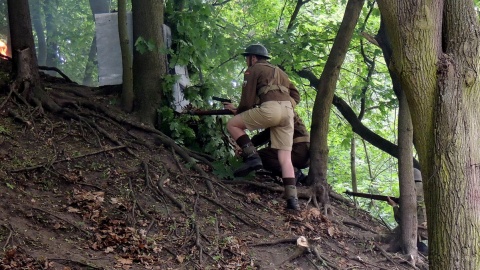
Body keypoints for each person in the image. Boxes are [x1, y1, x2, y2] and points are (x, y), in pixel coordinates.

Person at [223, 44, 301, 211]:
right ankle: (293, 203)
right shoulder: (281, 72)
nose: (246, 61)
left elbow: (247, 101)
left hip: (271, 110)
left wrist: (237, 111)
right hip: (288, 113)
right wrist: (285, 105)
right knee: (285, 159)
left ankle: (253, 158)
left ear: (253, 58)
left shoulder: (253, 69)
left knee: (233, 124)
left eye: (247, 58)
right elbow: (296, 96)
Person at [251, 112, 310, 185]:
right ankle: (300, 176)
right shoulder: (289, 112)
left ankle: (294, 173)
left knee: (260, 156)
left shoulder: (281, 112)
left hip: (297, 152)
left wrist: (248, 145)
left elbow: (266, 135)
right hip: (306, 156)